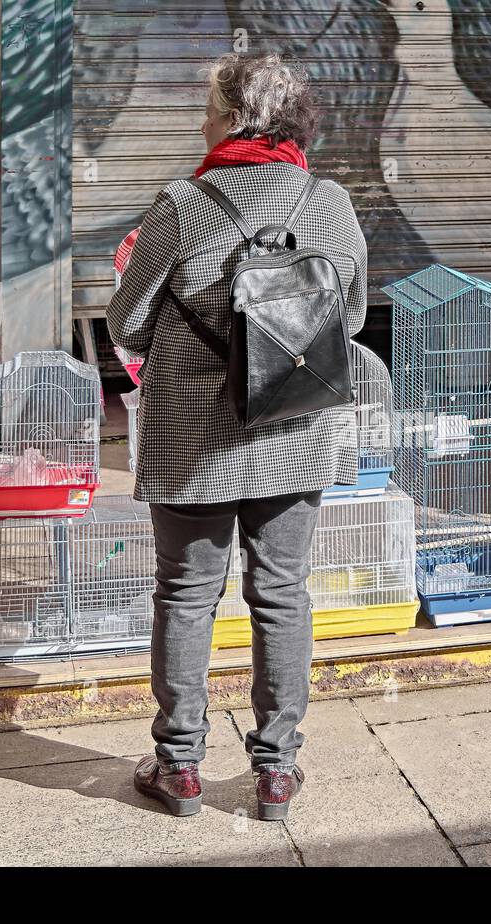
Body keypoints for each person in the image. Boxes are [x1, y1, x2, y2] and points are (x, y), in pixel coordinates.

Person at [106, 52, 366, 821]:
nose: (200, 118)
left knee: (186, 596)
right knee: (282, 593)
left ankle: (180, 766)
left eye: (208, 106)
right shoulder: (330, 201)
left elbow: (127, 321)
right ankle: (277, 773)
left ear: (231, 118)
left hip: (194, 437)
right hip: (294, 428)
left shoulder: (183, 203)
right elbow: (346, 322)